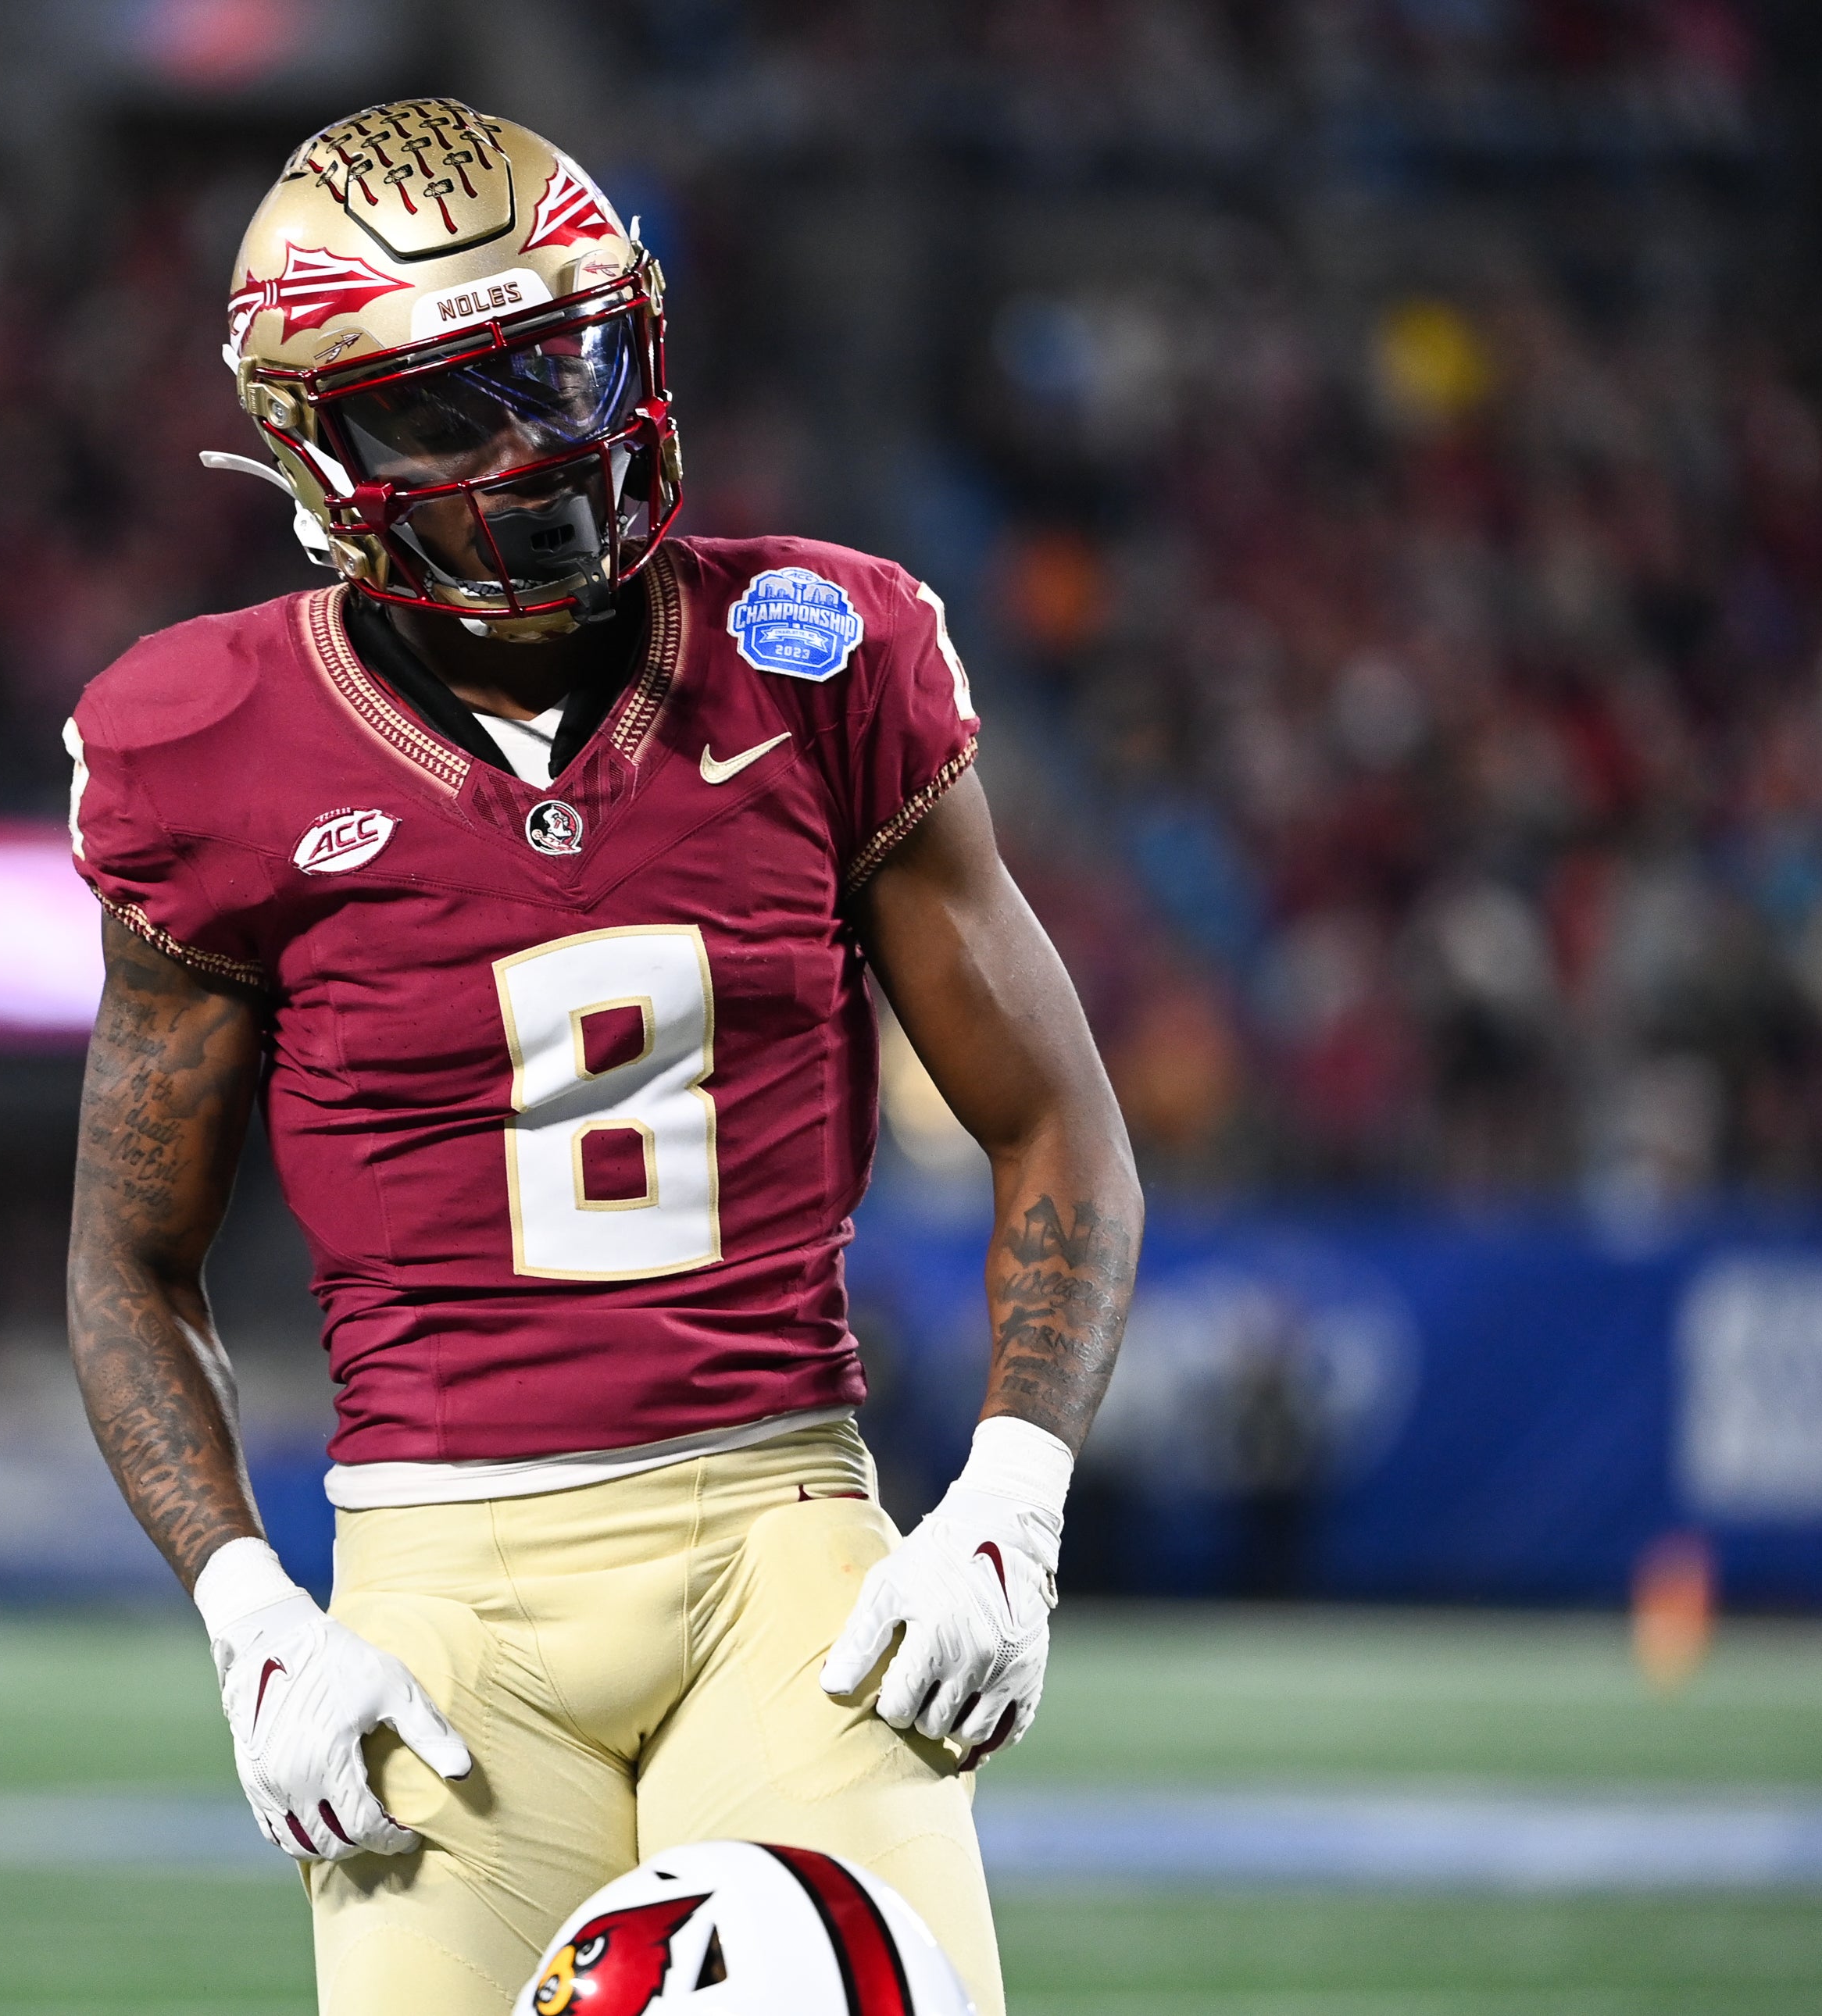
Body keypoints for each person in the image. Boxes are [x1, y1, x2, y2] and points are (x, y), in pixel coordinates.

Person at [62, 100, 1141, 2016]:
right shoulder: (208, 744)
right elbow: (125, 1262)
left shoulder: (818, 653)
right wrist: (250, 1620)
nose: (538, 448)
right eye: (450, 407)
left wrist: (1007, 1500)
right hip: (439, 1593)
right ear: (321, 450)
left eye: (561, 364)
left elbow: (1059, 1121)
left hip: (783, 1550)